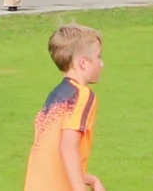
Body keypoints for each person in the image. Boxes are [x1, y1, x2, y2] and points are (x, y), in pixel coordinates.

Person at [24, 24, 106, 191]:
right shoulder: (82, 95)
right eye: (98, 57)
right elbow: (68, 146)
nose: (102, 63)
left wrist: (90, 179)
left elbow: (52, 156)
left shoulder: (55, 96)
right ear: (83, 62)